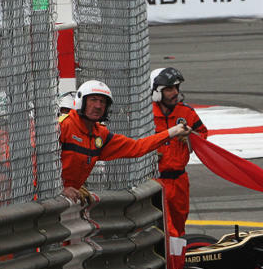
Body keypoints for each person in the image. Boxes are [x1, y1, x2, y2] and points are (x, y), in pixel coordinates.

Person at [59, 79, 189, 201]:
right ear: (82, 101)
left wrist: (173, 132)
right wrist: (61, 188)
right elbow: (41, 165)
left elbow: (137, 147)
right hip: (48, 196)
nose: (98, 106)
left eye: (102, 102)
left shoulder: (100, 134)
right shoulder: (63, 126)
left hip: (67, 196)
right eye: (93, 100)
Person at [150, 67, 208, 237]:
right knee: (168, 232)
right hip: (155, 182)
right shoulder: (144, 115)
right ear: (156, 92)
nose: (175, 92)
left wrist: (191, 137)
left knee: (179, 229)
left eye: (176, 88)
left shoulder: (186, 112)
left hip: (180, 181)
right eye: (169, 89)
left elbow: (203, 135)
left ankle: (178, 262)